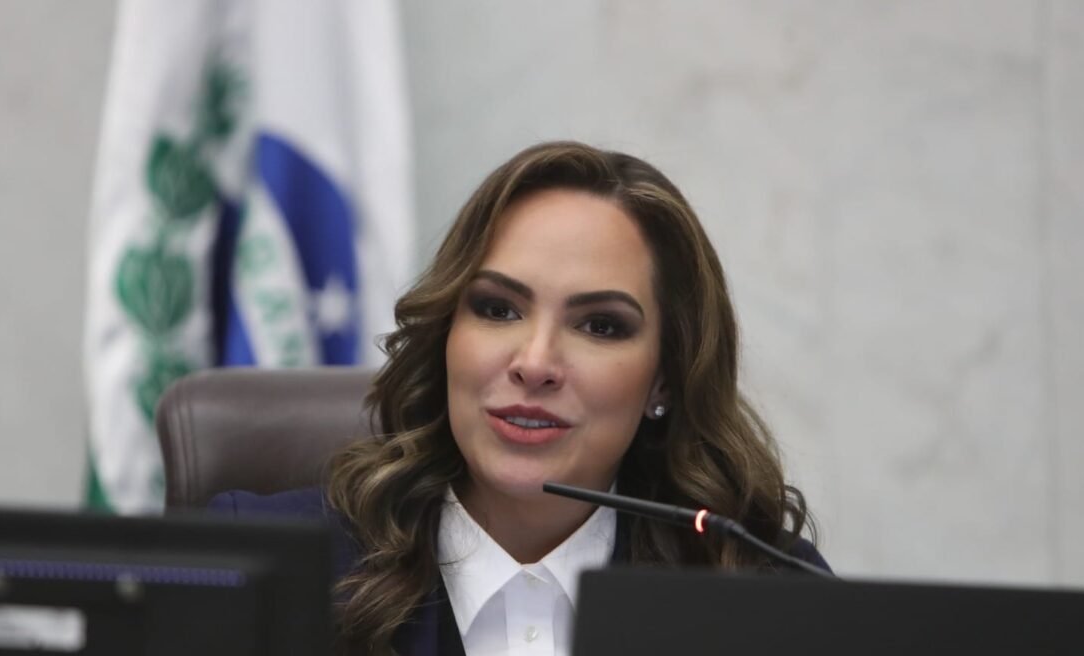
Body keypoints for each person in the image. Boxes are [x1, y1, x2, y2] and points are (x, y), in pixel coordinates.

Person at [209, 141, 828, 655]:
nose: (534, 364)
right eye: (498, 309)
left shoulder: (767, 598)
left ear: (664, 379)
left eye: (600, 325)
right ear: (447, 335)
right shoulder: (252, 565)